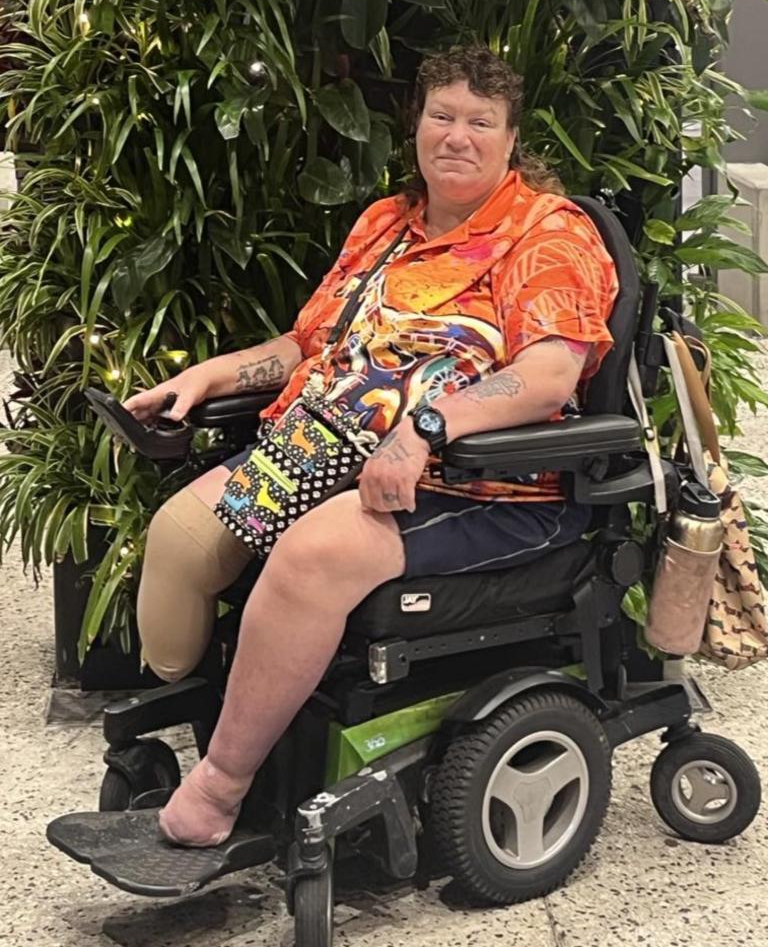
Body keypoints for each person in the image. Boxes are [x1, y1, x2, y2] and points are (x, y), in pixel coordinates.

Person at [124, 45, 618, 847]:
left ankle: (220, 788)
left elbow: (547, 377)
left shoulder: (547, 236)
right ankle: (216, 711)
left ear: (510, 136)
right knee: (181, 538)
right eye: (442, 116)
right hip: (329, 444)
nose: (457, 136)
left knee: (312, 557)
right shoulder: (388, 223)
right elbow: (308, 341)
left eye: (480, 122)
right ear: (416, 125)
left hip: (482, 486)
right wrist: (210, 375)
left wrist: (425, 428)